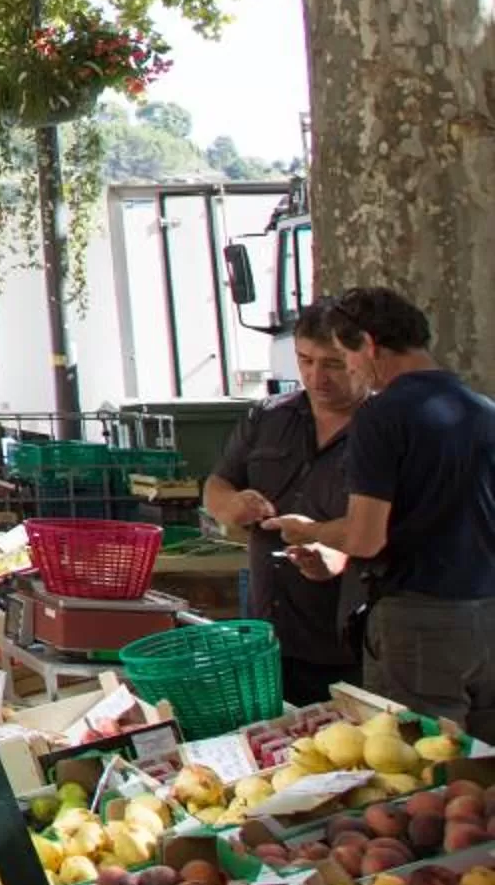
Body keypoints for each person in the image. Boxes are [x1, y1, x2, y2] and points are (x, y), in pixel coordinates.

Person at [270, 287, 495, 731]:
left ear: (370, 345)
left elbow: (365, 537)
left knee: (421, 766)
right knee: (482, 774)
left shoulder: (382, 415)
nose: (349, 369)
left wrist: (312, 531)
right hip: (487, 611)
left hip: (420, 623)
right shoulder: (482, 409)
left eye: (344, 355)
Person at [204, 304, 365, 703]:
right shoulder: (269, 416)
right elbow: (217, 484)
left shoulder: (385, 427)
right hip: (270, 629)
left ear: (363, 358)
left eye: (333, 364)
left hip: (350, 640)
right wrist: (231, 505)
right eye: (305, 361)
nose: (315, 377)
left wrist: (332, 551)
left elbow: (390, 524)